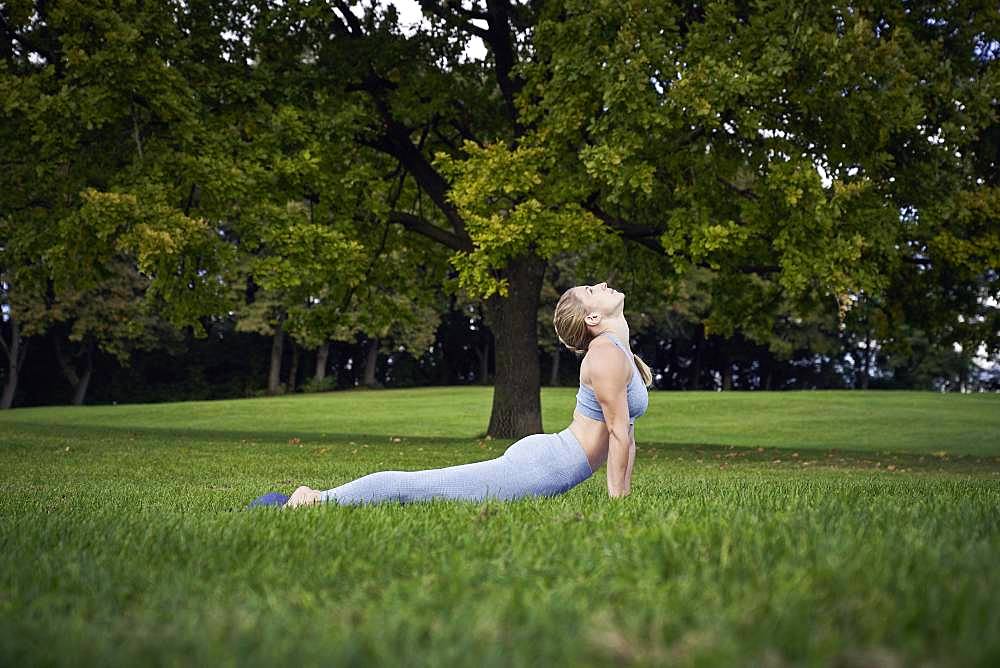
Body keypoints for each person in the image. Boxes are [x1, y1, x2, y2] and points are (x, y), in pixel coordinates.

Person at [256, 281, 652, 509]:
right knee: (417, 487)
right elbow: (618, 435)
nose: (600, 284)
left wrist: (623, 498)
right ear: (593, 318)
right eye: (591, 288)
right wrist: (619, 505)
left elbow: (626, 433)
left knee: (422, 488)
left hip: (551, 457)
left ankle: (318, 498)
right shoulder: (604, 356)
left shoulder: (617, 353)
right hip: (542, 468)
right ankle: (313, 500)